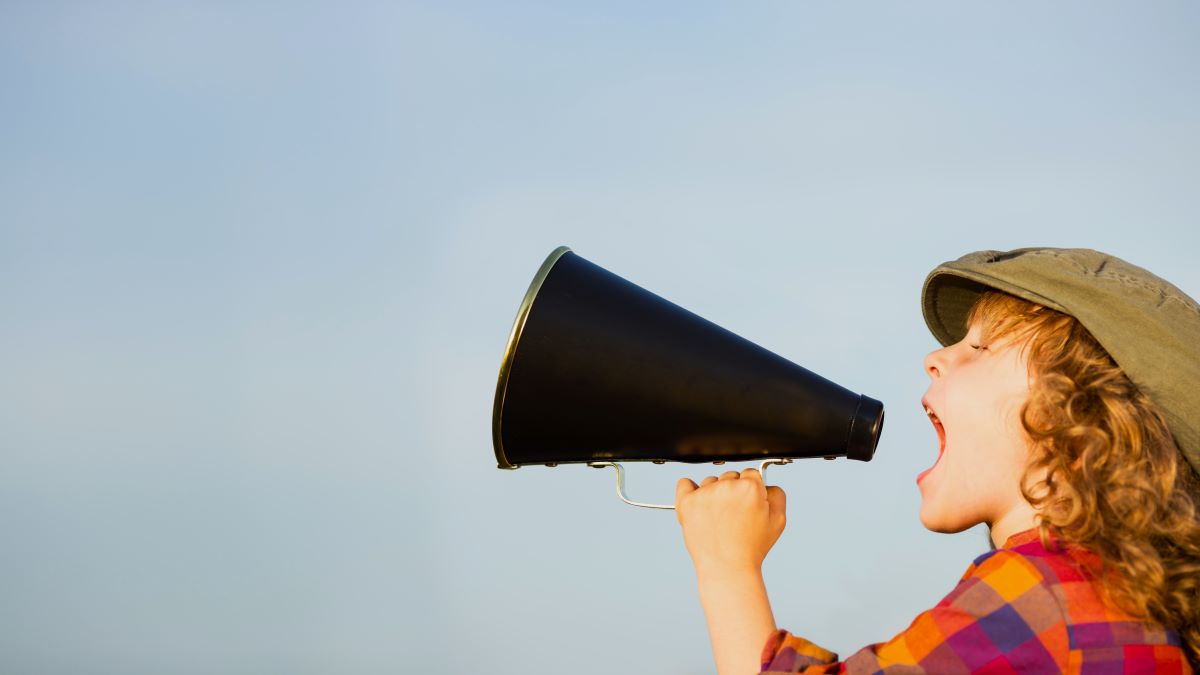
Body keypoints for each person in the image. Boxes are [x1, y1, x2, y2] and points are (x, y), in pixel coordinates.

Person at [675, 248, 1200, 674]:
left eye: (981, 346)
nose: (936, 357)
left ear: (1080, 413)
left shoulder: (1046, 598)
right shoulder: (1133, 608)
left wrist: (726, 566)